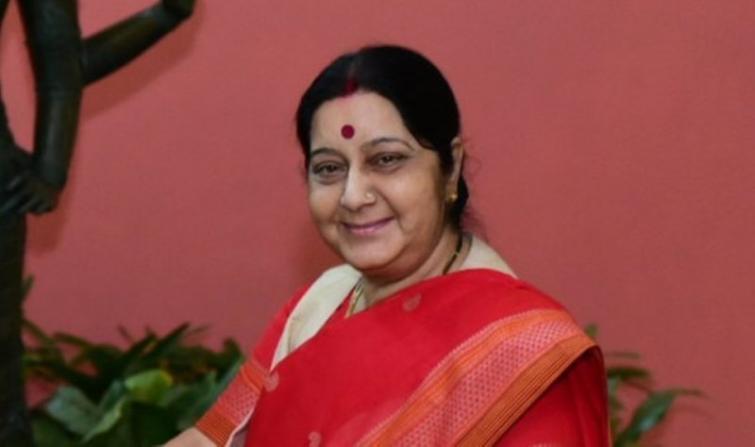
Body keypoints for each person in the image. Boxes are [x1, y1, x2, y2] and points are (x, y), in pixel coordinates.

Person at [168, 45, 609, 446]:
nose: (353, 196)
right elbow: (210, 441)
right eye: (329, 168)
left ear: (450, 167)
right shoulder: (319, 305)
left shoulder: (518, 352)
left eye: (386, 160)